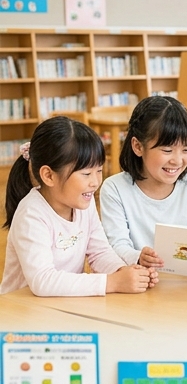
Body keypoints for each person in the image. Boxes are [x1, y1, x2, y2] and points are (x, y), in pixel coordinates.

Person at [2, 117, 156, 296]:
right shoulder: (31, 214)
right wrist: (112, 282)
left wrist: (125, 273)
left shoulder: (83, 204)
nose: (95, 182)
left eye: (99, 171)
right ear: (49, 176)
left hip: (62, 304)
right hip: (21, 307)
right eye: (86, 173)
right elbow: (43, 281)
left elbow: (100, 252)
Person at [98, 95, 187, 267]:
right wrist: (139, 257)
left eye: (186, 149)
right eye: (167, 150)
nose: (177, 160)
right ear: (138, 146)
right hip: (138, 277)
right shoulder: (115, 188)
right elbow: (117, 245)